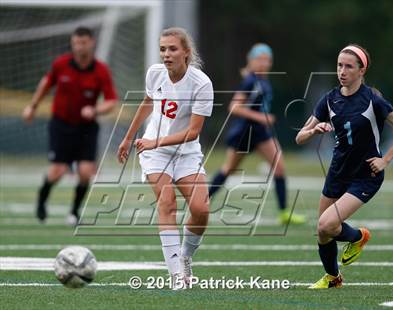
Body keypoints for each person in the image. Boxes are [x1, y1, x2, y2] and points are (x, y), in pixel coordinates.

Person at [296, 44, 393, 289]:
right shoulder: (329, 99)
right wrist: (313, 130)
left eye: (348, 66)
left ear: (362, 71)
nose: (342, 71)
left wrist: (386, 160)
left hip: (365, 175)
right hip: (338, 171)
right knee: (323, 232)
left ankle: (359, 237)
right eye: (339, 65)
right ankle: (333, 279)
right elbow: (300, 137)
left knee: (326, 225)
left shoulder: (373, 100)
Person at [117, 27, 213, 289]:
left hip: (185, 152)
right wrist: (129, 137)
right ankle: (176, 276)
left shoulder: (201, 83)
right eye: (162, 49)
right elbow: (148, 102)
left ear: (186, 52)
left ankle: (184, 257)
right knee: (167, 202)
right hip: (155, 153)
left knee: (201, 210)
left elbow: (193, 133)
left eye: (172, 49)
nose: (166, 54)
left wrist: (153, 141)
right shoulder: (155, 73)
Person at [22, 26, 118, 225]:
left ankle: (74, 212)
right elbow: (46, 83)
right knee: (57, 171)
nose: (79, 47)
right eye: (75, 43)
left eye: (83, 43)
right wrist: (32, 106)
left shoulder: (101, 70)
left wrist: (96, 110)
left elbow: (111, 101)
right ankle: (42, 198)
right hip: (61, 125)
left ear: (91, 43)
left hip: (87, 128)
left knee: (85, 172)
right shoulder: (61, 64)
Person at [208, 43, 305, 225]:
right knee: (228, 169)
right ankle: (203, 202)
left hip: (261, 132)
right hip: (245, 131)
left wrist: (262, 120)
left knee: (279, 167)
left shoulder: (263, 81)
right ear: (251, 61)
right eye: (259, 59)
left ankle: (284, 213)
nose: (264, 63)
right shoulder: (250, 81)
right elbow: (234, 107)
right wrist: (261, 117)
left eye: (267, 60)